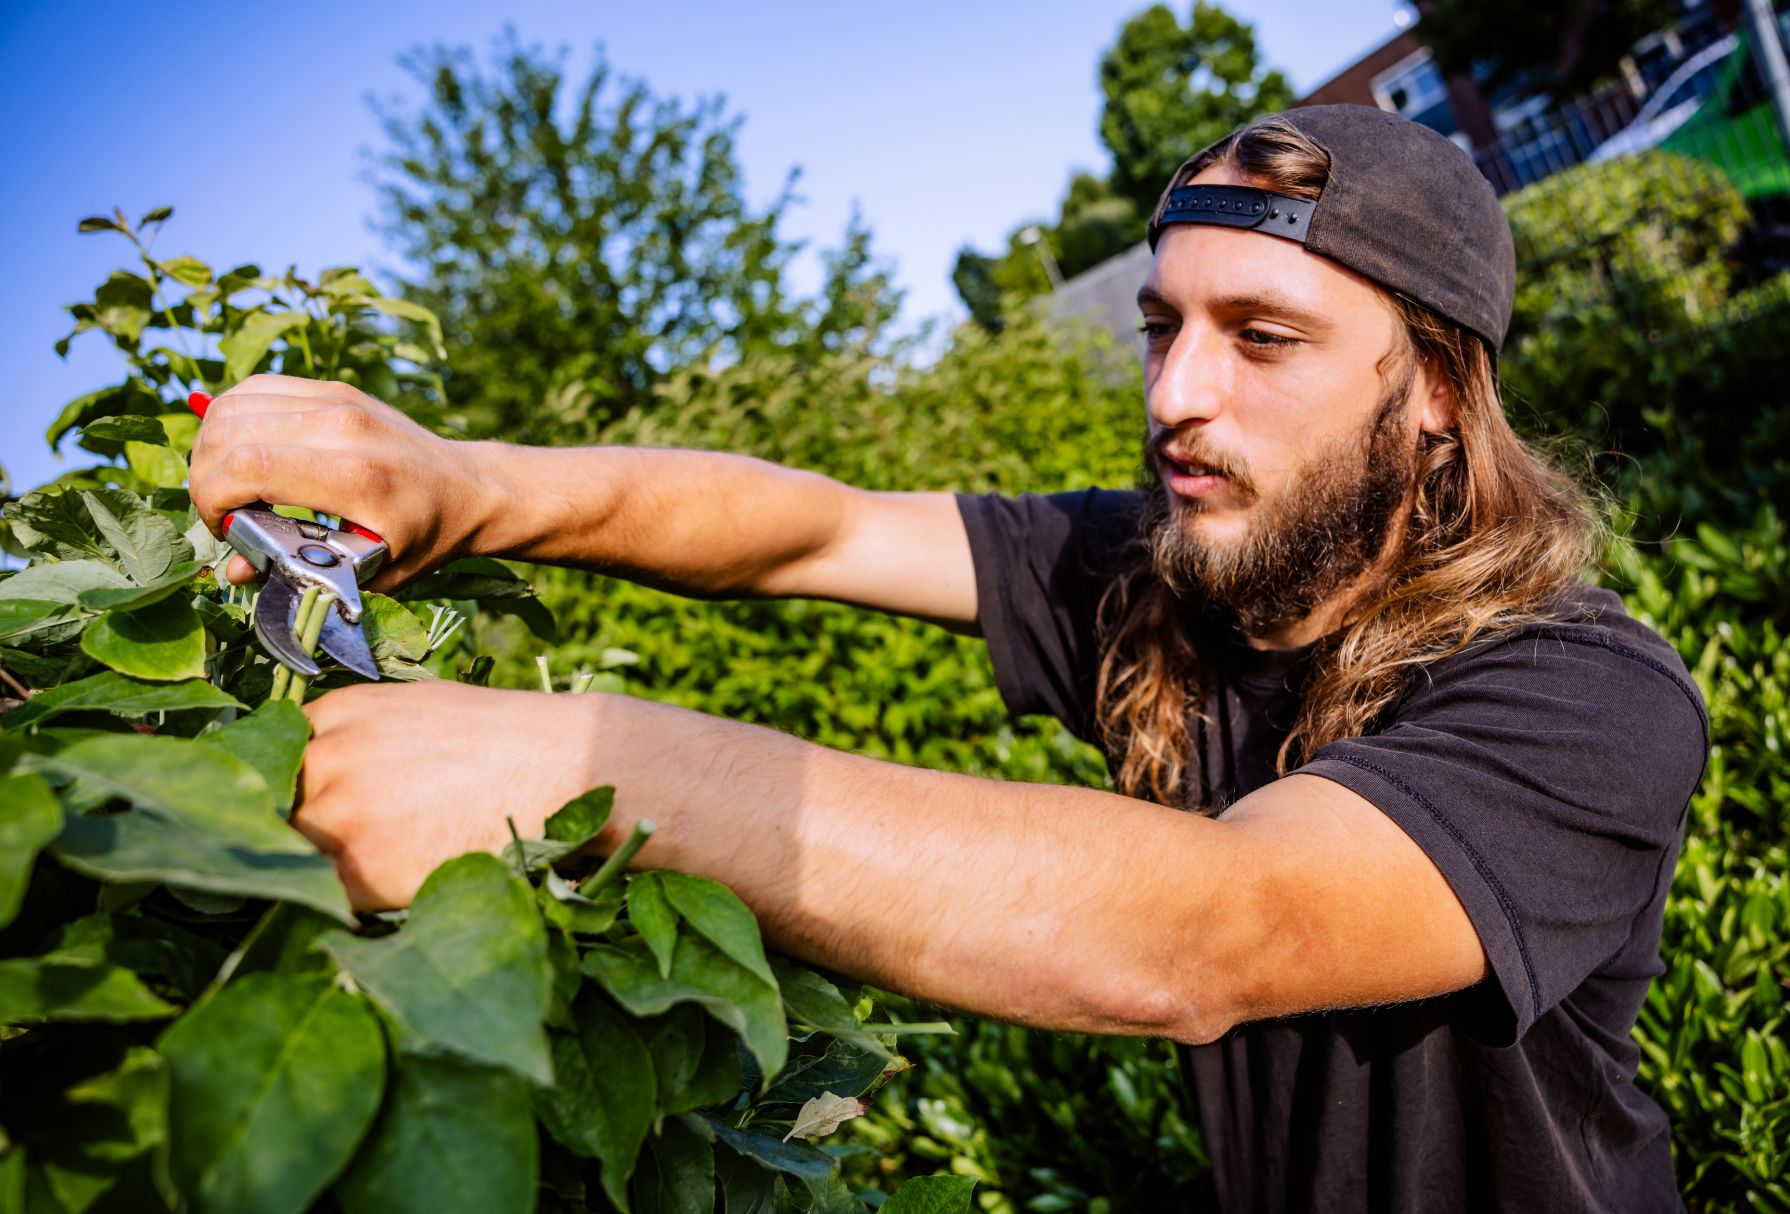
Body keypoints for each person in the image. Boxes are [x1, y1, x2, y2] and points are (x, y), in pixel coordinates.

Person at [188, 105, 1708, 1212]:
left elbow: (1215, 928)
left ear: (1436, 388)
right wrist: (472, 485)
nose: (1176, 392)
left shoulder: (1583, 693)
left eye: (1260, 336)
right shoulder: (1174, 576)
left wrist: (591, 763)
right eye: (1160, 325)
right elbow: (813, 528)